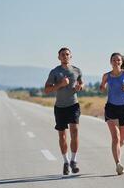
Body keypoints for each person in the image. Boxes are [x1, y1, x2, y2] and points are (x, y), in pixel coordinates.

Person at [44, 47, 84, 175]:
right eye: (62, 54)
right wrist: (60, 85)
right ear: (59, 57)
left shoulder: (77, 70)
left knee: (75, 131)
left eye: (67, 54)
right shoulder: (55, 72)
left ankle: (73, 160)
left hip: (73, 105)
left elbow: (82, 83)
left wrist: (80, 86)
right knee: (62, 135)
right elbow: (47, 89)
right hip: (60, 107)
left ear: (70, 56)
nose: (65, 56)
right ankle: (66, 162)